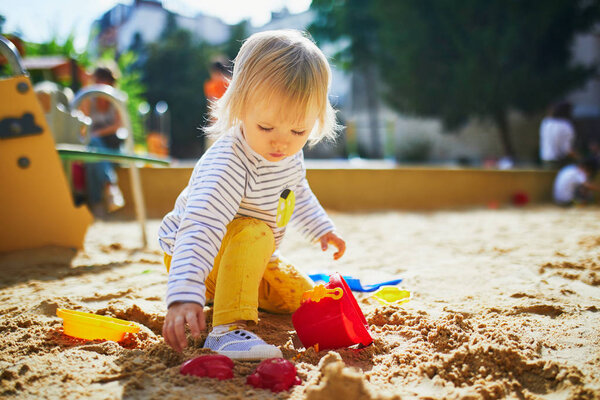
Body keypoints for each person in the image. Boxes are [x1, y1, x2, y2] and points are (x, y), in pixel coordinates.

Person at [159, 30, 346, 360]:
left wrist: (321, 227)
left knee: (299, 296)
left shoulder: (287, 154)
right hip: (197, 260)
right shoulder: (229, 163)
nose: (281, 143)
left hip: (249, 256)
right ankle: (226, 332)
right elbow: (200, 227)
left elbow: (296, 191)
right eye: (266, 127)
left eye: (298, 131)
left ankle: (234, 294)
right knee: (255, 231)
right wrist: (184, 293)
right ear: (240, 106)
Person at [80, 65, 125, 215]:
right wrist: (86, 88)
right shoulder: (87, 98)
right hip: (94, 149)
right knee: (93, 154)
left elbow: (120, 125)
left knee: (93, 152)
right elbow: (83, 123)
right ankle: (110, 188)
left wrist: (97, 133)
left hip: (114, 150)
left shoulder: (117, 99)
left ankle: (96, 203)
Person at [539, 101, 577, 169]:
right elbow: (566, 149)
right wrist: (580, 157)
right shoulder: (565, 125)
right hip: (559, 161)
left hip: (545, 158)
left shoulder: (546, 122)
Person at [203, 60, 231, 149]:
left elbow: (211, 104)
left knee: (212, 148)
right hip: (231, 121)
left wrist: (211, 121)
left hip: (217, 121)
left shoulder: (211, 85)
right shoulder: (231, 82)